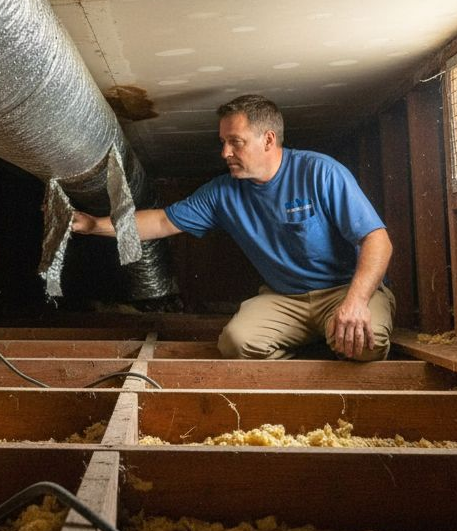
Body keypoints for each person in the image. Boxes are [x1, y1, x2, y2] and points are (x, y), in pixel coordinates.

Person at [71, 94, 395, 361]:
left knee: (366, 345)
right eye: (223, 142)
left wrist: (355, 302)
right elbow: (161, 220)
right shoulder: (222, 192)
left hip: (346, 290)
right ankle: (310, 352)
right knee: (236, 344)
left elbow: (377, 240)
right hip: (286, 298)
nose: (225, 152)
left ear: (268, 140)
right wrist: (94, 224)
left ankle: (327, 341)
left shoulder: (320, 172)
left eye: (235, 142)